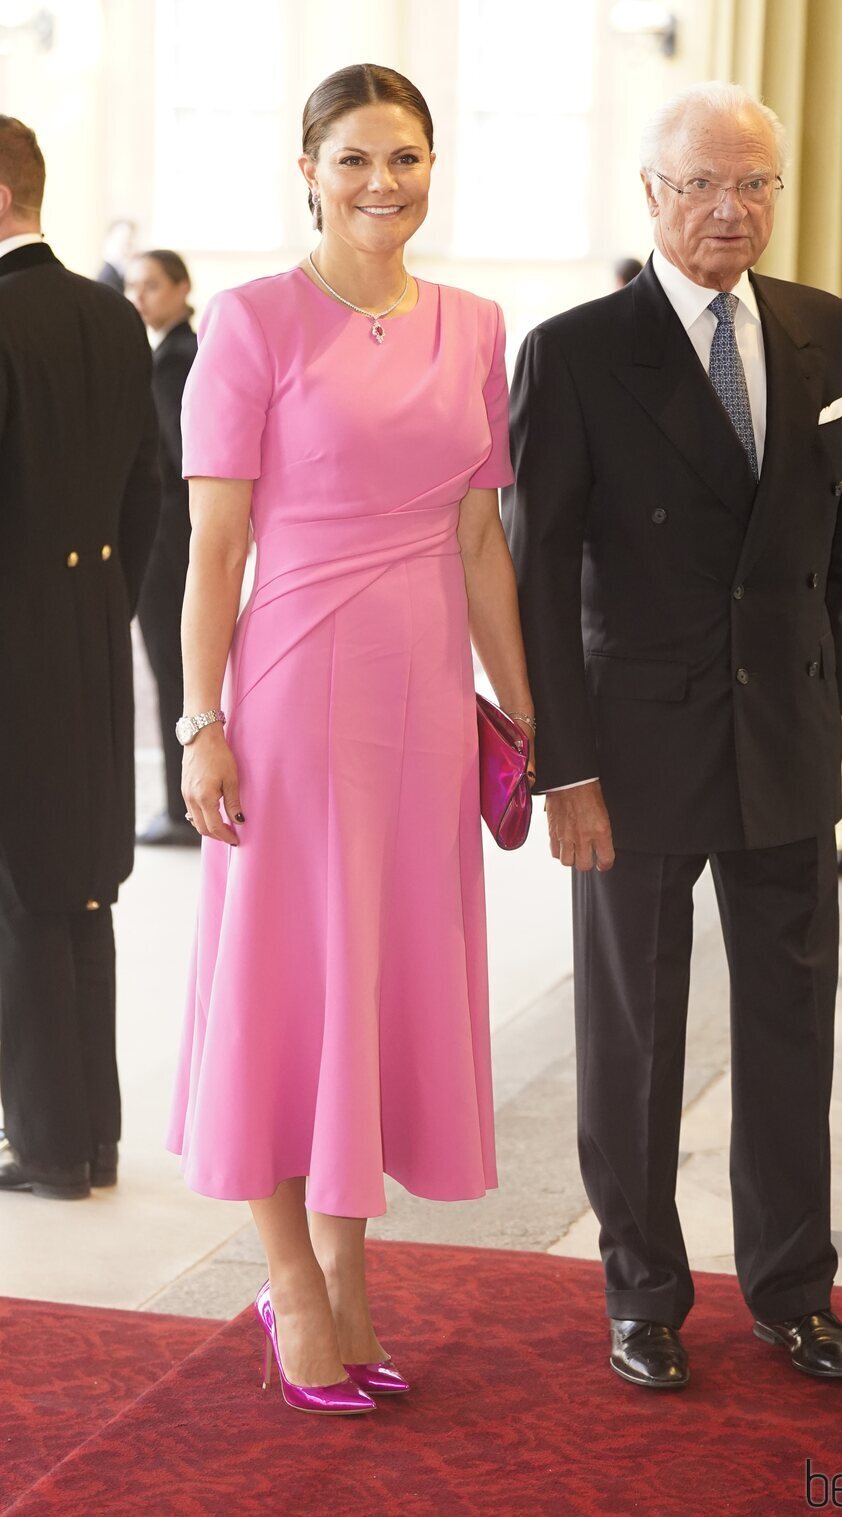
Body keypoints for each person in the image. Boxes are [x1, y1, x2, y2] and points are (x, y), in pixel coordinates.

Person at [166, 64, 534, 1414]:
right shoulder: (253, 323)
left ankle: (350, 1271)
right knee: (285, 983)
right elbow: (212, 549)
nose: (387, 182)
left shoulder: (477, 325)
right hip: (295, 692)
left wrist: (531, 717)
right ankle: (295, 1284)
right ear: (308, 167)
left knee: (370, 986)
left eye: (409, 157)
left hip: (426, 702)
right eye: (358, 157)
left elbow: (483, 541)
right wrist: (201, 724)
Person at [504, 81, 842, 1390]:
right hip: (636, 754)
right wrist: (568, 768)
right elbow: (539, 574)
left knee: (792, 1024)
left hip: (780, 739)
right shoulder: (578, 350)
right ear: (651, 195)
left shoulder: (823, 331)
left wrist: (836, 721)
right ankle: (643, 1295)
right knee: (635, 1032)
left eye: (756, 184)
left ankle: (792, 1288)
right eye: (705, 183)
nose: (733, 208)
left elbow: (834, 551)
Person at [0, 118, 159, 1200]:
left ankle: (49, 1141)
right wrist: (99, 600)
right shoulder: (113, 313)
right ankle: (87, 1133)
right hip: (91, 629)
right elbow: (149, 490)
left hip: (10, 645)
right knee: (80, 884)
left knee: (20, 892)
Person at [127, 250, 200, 846]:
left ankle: (182, 809)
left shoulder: (174, 361)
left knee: (171, 665)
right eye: (132, 285)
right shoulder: (171, 353)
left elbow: (179, 460)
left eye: (151, 285)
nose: (139, 296)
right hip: (177, 536)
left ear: (182, 289)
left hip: (166, 538)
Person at [96, 217, 136, 293]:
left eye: (130, 242)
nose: (129, 247)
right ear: (109, 241)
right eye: (124, 241)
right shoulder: (107, 277)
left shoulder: (122, 273)